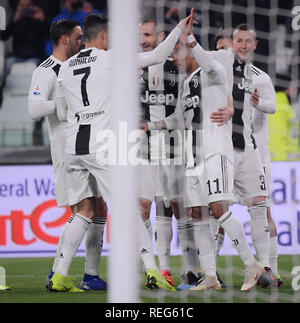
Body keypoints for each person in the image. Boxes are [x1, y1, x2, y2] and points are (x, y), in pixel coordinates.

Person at [50, 13, 194, 292]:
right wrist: (178, 29)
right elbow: (156, 56)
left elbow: (61, 111)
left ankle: (59, 274)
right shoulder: (112, 58)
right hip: (102, 145)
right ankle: (153, 271)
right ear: (103, 35)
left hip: (74, 146)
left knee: (84, 211)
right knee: (127, 208)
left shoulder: (66, 66)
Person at [146, 11, 265, 291]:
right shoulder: (187, 84)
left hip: (215, 152)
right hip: (193, 159)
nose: (174, 59)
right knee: (198, 215)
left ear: (190, 51)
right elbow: (176, 119)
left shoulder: (214, 72)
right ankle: (209, 276)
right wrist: (149, 126)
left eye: (178, 53)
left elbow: (210, 65)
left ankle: (252, 265)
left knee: (219, 210)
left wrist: (190, 39)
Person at [28, 19, 108, 292]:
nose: (82, 42)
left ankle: (90, 275)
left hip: (87, 146)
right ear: (64, 40)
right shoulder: (46, 70)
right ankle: (57, 273)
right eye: (77, 38)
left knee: (98, 208)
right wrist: (63, 106)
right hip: (66, 150)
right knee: (83, 209)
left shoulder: (79, 65)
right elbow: (34, 109)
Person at [214, 24, 279, 287]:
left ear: (255, 44)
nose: (242, 45)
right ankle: (211, 271)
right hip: (228, 153)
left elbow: (272, 106)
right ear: (232, 43)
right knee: (219, 213)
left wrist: (256, 103)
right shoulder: (223, 75)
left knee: (264, 213)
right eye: (238, 41)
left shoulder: (261, 77)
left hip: (256, 153)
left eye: (247, 41)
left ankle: (269, 270)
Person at [139, 18, 198, 289]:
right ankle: (163, 270)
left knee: (182, 208)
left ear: (161, 36)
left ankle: (192, 270)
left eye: (148, 35)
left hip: (177, 145)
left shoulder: (177, 68)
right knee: (159, 207)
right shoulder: (134, 69)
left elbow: (185, 109)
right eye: (140, 36)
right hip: (146, 148)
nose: (143, 40)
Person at [269, 73, 300, 161]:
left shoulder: (270, 105)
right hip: (282, 162)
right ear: (287, 89)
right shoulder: (283, 108)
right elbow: (277, 137)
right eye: (294, 87)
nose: (296, 90)